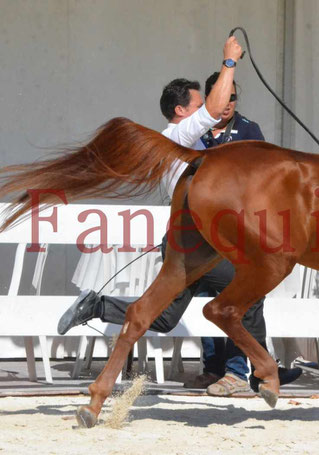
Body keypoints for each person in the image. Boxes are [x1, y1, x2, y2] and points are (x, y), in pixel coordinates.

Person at [57, 36, 301, 394]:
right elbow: (217, 110)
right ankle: (258, 369)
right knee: (248, 287)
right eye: (199, 104)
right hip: (198, 245)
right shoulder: (181, 133)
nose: (208, 108)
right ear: (182, 111)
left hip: (193, 244)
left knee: (167, 318)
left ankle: (97, 306)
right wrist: (229, 62)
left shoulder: (186, 139)